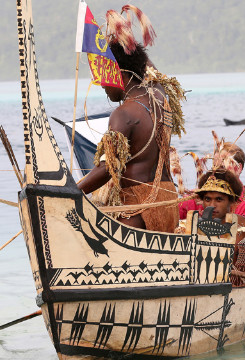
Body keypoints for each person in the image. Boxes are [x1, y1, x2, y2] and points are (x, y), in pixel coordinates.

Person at [78, 10, 184, 234]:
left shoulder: (123, 114)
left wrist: (72, 191)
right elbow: (143, 64)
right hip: (167, 201)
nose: (105, 89)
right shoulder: (160, 94)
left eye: (105, 80)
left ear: (117, 73)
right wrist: (126, 41)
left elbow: (108, 168)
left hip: (138, 211)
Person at [178, 142, 245, 219]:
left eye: (222, 168)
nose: (217, 172)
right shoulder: (196, 197)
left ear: (238, 168)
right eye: (214, 167)